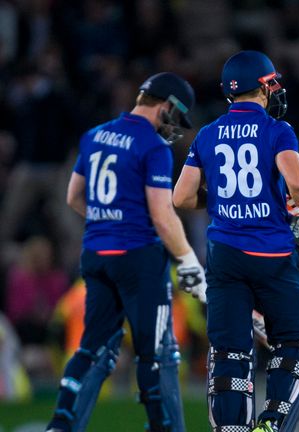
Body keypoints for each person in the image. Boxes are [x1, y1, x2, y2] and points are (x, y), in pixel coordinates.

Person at [173, 50, 299, 432]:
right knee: (294, 344)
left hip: (224, 256)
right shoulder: (278, 130)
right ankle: (271, 422)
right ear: (263, 86)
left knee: (229, 351)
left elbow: (181, 197)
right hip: (273, 256)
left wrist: (228, 200)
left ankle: (231, 427)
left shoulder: (207, 134)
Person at [46, 72, 206, 432]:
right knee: (156, 354)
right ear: (166, 106)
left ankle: (61, 423)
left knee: (92, 349)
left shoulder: (94, 136)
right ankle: (162, 428)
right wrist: (189, 260)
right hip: (139, 260)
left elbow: (74, 197)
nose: (174, 128)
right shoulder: (153, 147)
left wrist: (110, 220)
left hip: (97, 256)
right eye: (177, 118)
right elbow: (163, 216)